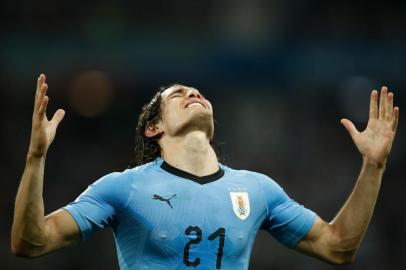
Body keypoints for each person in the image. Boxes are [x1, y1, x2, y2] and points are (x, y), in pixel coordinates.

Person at [11, 74, 399, 270]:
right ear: (154, 127)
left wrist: (374, 166)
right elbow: (31, 243)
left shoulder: (258, 189)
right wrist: (35, 157)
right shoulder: (123, 188)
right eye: (177, 95)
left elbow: (337, 247)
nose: (192, 93)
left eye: (197, 91)